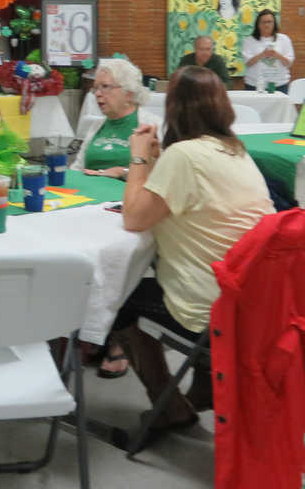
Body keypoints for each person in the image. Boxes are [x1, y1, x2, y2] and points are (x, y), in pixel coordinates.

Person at [112, 66, 273, 435]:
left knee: (119, 294)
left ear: (174, 109)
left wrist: (139, 158)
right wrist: (155, 161)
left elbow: (135, 219)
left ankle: (167, 405)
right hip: (254, 302)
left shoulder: (183, 155)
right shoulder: (235, 151)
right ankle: (204, 386)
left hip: (211, 310)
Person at [70, 58, 162, 379]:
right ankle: (84, 329)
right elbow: (77, 169)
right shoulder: (95, 126)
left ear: (129, 92)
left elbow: (160, 175)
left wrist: (121, 173)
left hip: (127, 212)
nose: (97, 94)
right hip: (87, 209)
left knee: (110, 255)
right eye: (95, 88)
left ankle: (112, 337)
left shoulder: (149, 123)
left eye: (105, 87)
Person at [241, 8, 295, 92]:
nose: (267, 25)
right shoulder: (249, 40)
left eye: (269, 22)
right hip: (254, 85)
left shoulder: (284, 39)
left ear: (274, 23)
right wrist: (262, 54)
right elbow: (247, 63)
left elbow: (288, 63)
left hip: (279, 85)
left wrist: (277, 55)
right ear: (258, 24)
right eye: (263, 22)